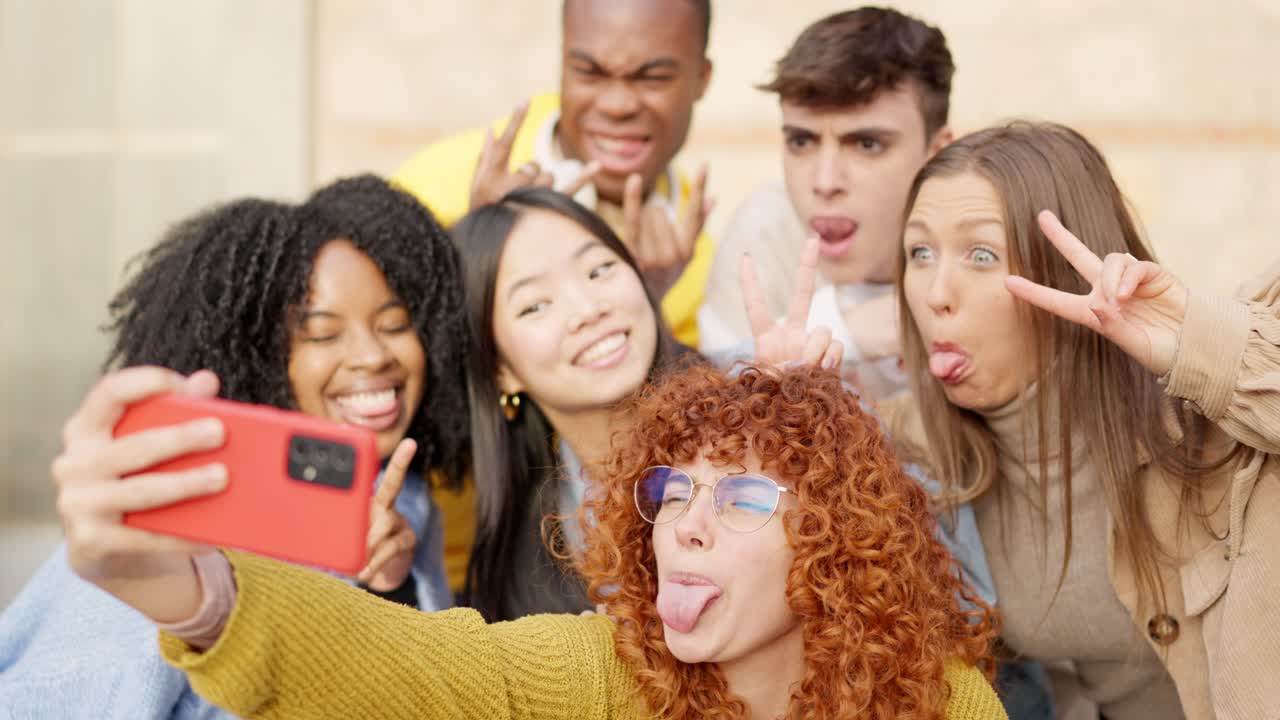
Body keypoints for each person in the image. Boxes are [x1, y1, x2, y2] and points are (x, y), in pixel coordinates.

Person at [53, 362, 1008, 720]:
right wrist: (193, 589)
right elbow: (408, 663)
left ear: (836, 543)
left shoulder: (948, 706)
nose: (687, 522)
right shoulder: (608, 672)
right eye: (675, 490)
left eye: (745, 497)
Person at [0, 175, 471, 719]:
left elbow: (440, 689)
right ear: (259, 356)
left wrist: (389, 589)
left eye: (395, 324)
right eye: (321, 334)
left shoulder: (403, 500)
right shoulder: (171, 515)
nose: (371, 356)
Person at [882, 121, 1280, 719]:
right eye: (920, 253)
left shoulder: (1212, 416)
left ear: (1066, 273)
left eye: (982, 255)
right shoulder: (914, 444)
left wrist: (1194, 343)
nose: (936, 293)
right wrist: (795, 404)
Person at [451, 187, 841, 620]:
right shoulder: (522, 561)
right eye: (535, 305)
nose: (587, 309)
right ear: (499, 368)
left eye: (598, 271)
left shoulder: (757, 406)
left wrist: (799, 432)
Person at [394, 0, 715, 348]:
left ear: (702, 78)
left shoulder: (703, 265)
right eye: (589, 73)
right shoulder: (430, 191)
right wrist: (474, 252)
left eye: (653, 78)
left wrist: (648, 303)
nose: (617, 105)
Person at [697, 7, 953, 400]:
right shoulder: (764, 229)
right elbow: (718, 420)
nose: (825, 182)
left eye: (867, 144)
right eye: (801, 141)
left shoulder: (991, 243)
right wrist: (845, 328)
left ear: (936, 154)